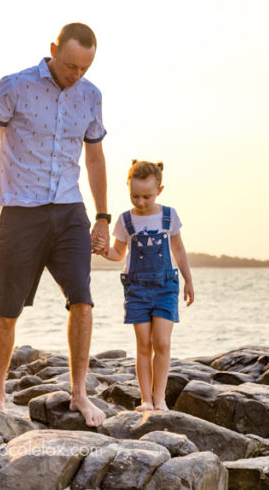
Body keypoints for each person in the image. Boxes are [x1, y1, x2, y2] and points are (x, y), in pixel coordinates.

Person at [0, 22, 110, 427]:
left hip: (69, 211)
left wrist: (102, 216)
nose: (75, 75)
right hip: (21, 212)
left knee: (82, 299)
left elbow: (95, 158)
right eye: (70, 65)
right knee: (7, 307)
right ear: (53, 49)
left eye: (84, 68)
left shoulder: (91, 96)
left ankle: (80, 394)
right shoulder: (15, 86)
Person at [99, 160, 194, 411]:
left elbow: (178, 249)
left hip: (165, 286)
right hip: (136, 289)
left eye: (147, 196)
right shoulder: (125, 220)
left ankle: (160, 397)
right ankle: (146, 399)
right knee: (143, 345)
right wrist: (102, 251)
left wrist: (188, 280)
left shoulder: (168, 215)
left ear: (159, 191)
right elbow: (118, 253)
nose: (140, 202)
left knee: (161, 342)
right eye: (134, 196)